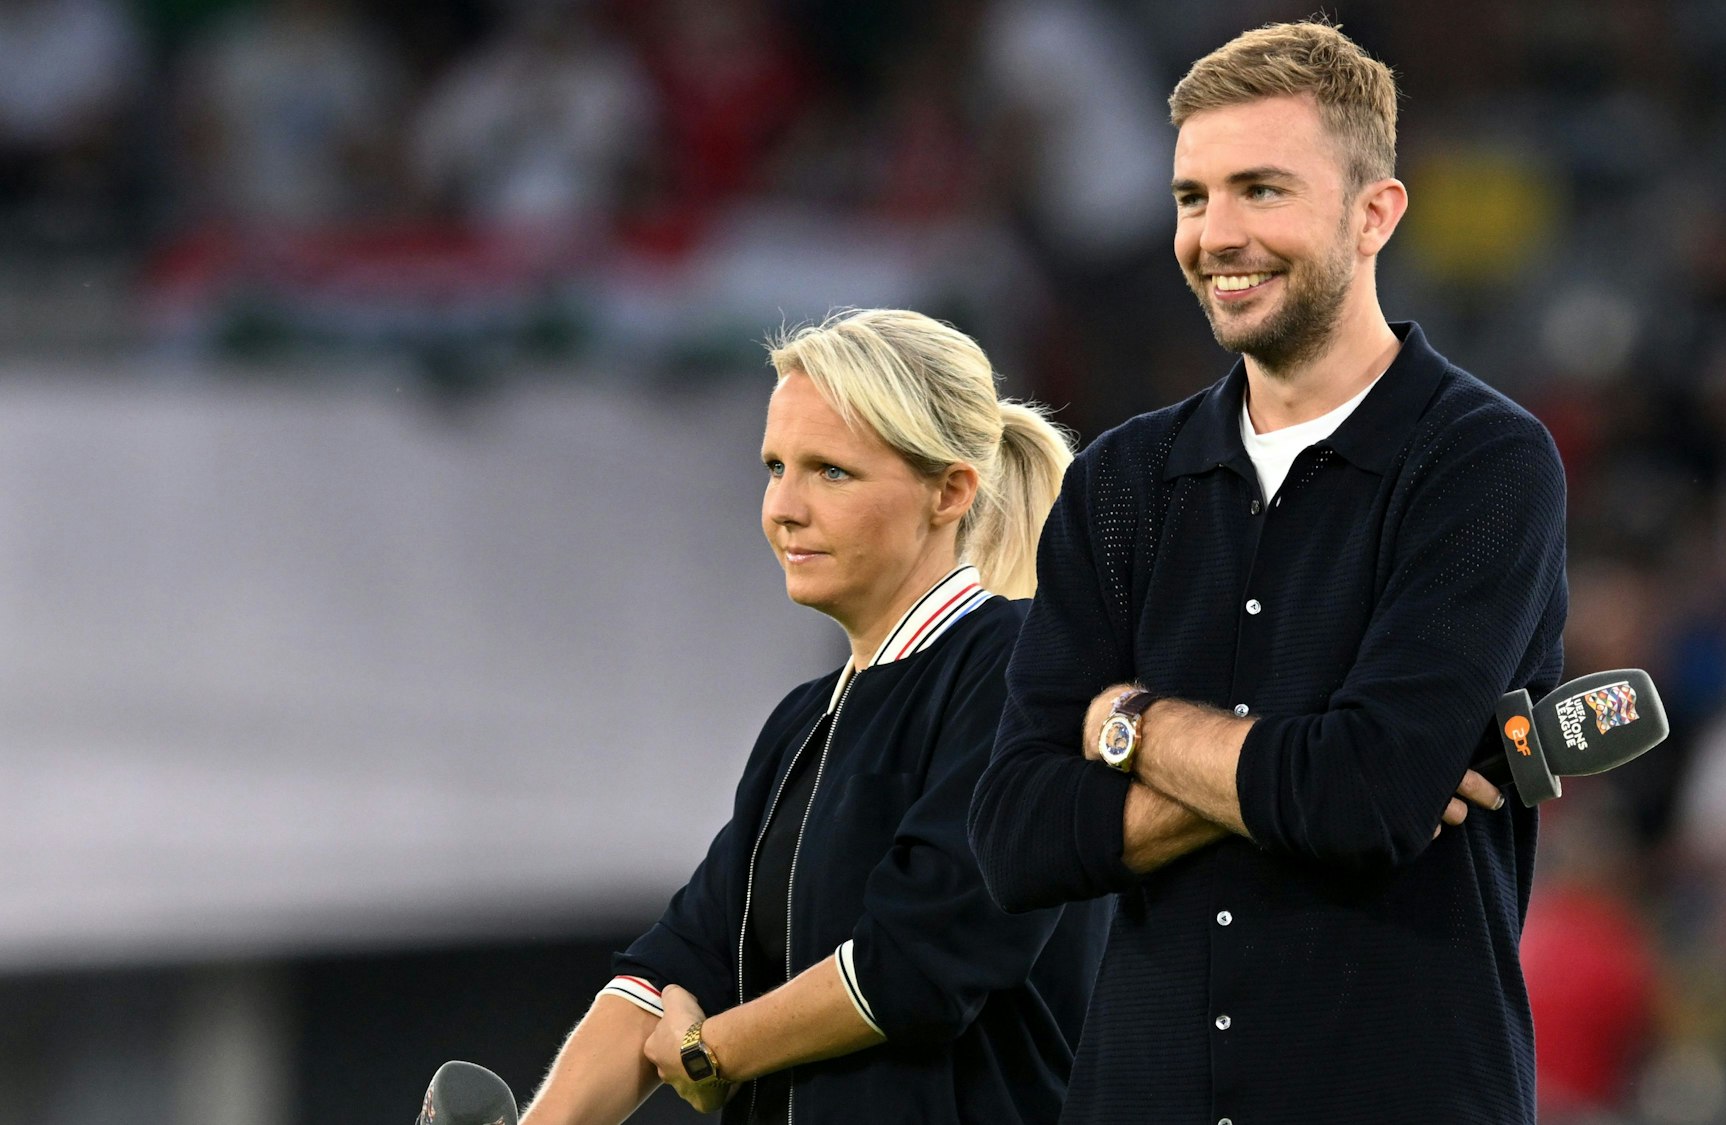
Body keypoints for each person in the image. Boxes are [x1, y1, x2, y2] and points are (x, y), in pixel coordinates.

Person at [969, 19, 1568, 1124]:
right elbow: (1011, 835)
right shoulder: (1116, 484)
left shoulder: (1484, 463)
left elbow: (1364, 801)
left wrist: (1129, 725)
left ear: (1373, 212)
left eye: (1260, 190)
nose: (1216, 235)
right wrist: (1313, 755)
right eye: (1193, 198)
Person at [521, 308, 1109, 1125]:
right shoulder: (804, 722)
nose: (784, 508)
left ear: (950, 490)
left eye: (831, 472)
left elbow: (915, 966)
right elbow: (664, 973)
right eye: (774, 467)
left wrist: (710, 1050)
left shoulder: (1020, 670)